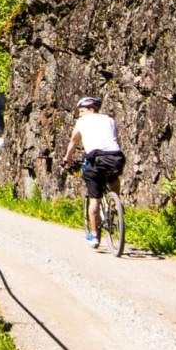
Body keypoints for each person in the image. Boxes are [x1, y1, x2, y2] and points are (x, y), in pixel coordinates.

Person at [61, 95, 126, 248]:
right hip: (115, 157)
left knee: (94, 200)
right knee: (113, 177)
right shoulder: (110, 120)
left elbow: (74, 141)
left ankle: (95, 236)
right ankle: (115, 203)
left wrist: (67, 158)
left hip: (96, 159)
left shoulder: (83, 121)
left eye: (82, 111)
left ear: (91, 109)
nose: (79, 114)